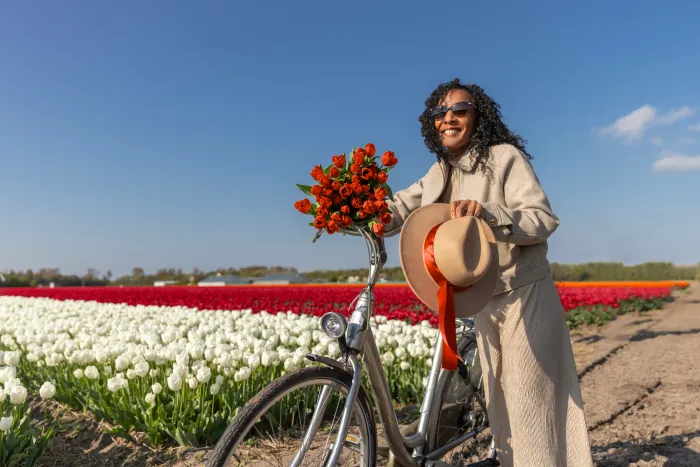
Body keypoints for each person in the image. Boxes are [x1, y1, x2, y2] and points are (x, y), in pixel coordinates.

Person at [384, 78, 594, 467]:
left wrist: (491, 213)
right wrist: (350, 209)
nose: (448, 118)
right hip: (481, 296)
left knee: (531, 401)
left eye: (459, 110)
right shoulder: (441, 172)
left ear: (478, 116)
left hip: (523, 292)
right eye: (440, 113)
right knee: (501, 404)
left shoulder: (504, 158)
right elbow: (398, 209)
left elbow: (543, 218)